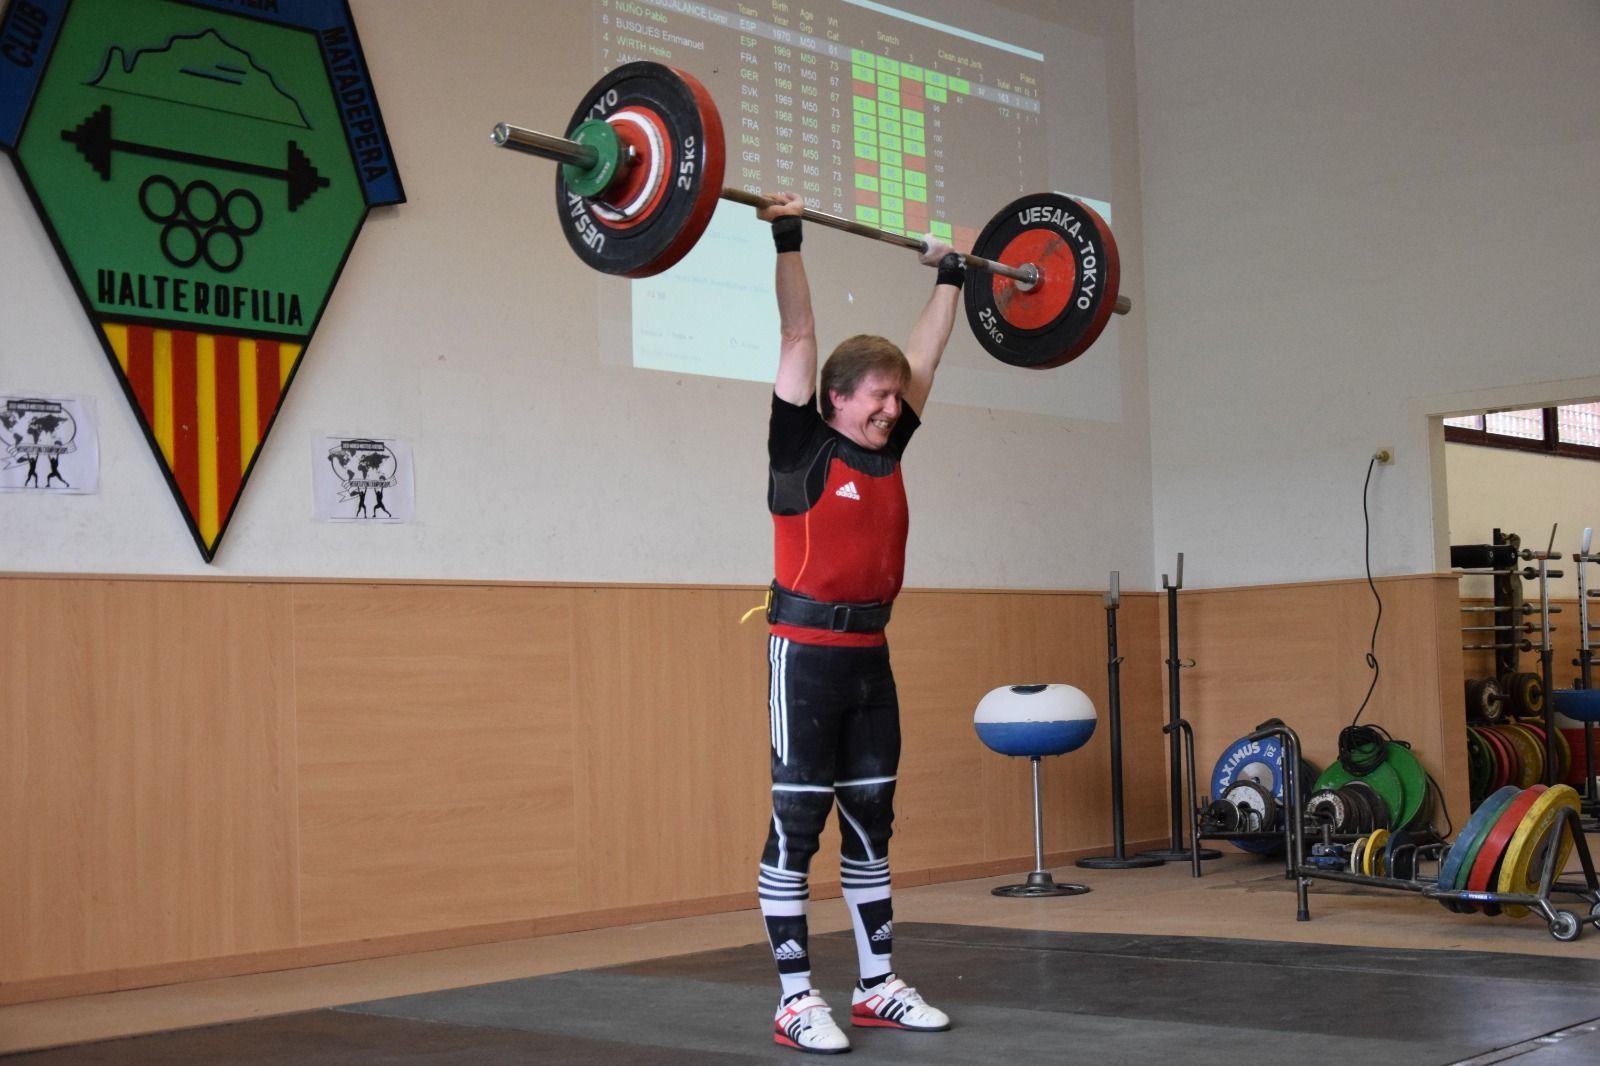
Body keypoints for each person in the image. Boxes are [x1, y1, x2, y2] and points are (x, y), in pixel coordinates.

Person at [753, 191, 964, 1055]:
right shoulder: (801, 446)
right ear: (835, 399)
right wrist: (788, 236)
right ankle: (795, 998)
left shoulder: (887, 446)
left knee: (872, 819)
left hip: (870, 655)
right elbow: (799, 336)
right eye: (876, 398)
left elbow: (927, 353)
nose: (890, 409)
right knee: (799, 825)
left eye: (894, 400)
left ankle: (877, 984)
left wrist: (953, 275)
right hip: (803, 654)